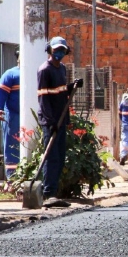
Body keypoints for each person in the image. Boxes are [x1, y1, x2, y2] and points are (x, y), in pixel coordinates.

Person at [37, 36, 83, 208]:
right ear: (50, 50)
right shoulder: (44, 70)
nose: (59, 53)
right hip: (51, 121)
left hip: (61, 118)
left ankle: (53, 193)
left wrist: (73, 86)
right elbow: (43, 98)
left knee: (60, 156)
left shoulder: (62, 68)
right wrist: (50, 121)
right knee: (51, 157)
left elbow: (60, 92)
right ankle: (48, 194)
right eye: (56, 50)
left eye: (62, 50)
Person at [0, 50, 21, 177]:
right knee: (12, 147)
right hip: (13, 117)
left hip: (32, 116)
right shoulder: (10, 75)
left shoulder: (35, 73)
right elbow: (1, 95)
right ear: (17, 58)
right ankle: (12, 178)